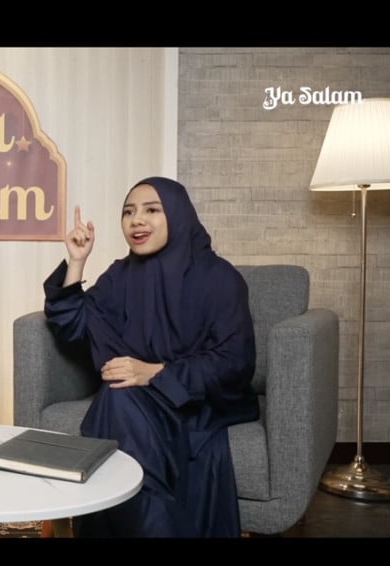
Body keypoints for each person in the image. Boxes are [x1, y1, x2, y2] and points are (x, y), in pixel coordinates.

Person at [43, 176, 259, 537]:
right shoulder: (121, 275)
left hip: (196, 399)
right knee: (119, 397)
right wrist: (77, 262)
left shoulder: (220, 278)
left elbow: (235, 360)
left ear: (178, 214)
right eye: (128, 212)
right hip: (135, 398)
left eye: (152, 210)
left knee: (117, 399)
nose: (136, 220)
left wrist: (157, 373)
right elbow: (75, 326)